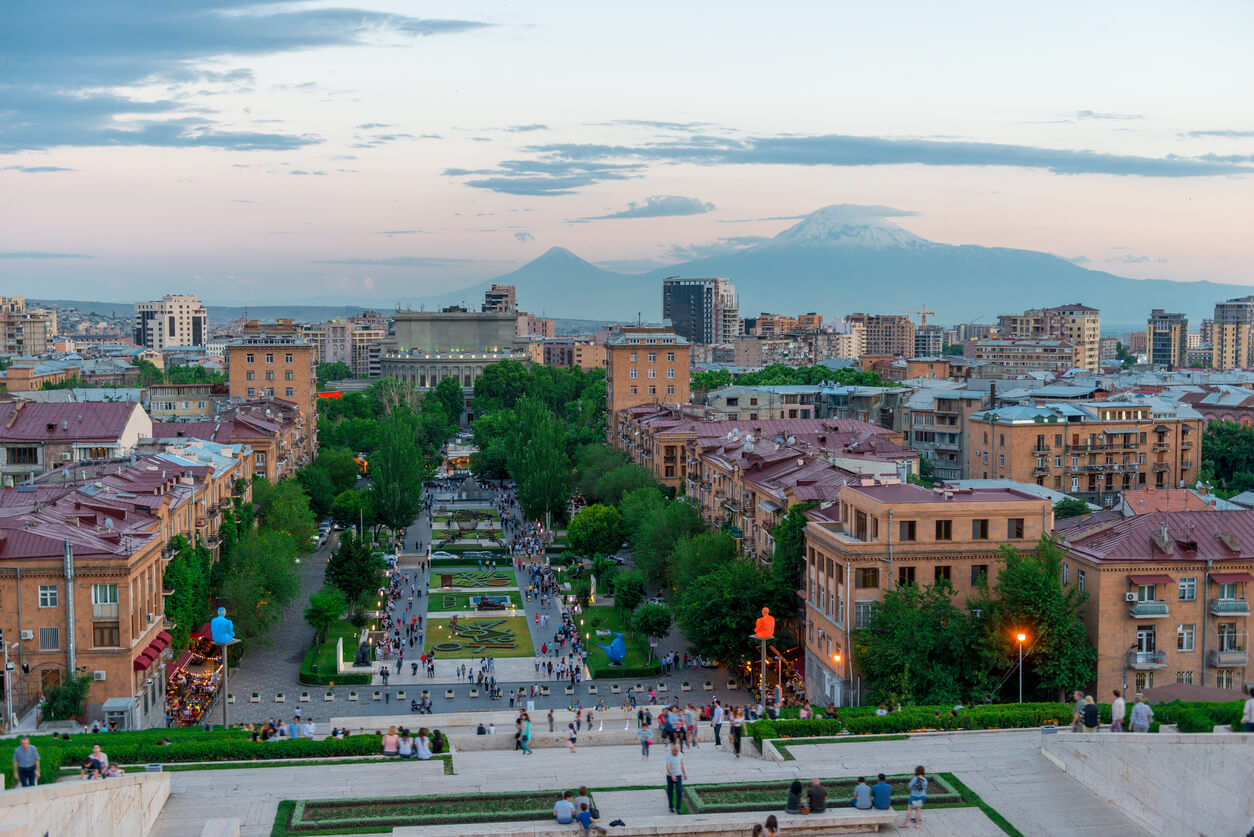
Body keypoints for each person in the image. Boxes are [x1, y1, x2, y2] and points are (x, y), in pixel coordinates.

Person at [664, 742, 687, 813]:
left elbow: (682, 764)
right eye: (675, 751)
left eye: (677, 751)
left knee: (679, 791)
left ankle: (678, 807)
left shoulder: (680, 754)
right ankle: (671, 807)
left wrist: (684, 774)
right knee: (670, 792)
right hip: (670, 776)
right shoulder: (668, 756)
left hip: (678, 775)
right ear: (672, 750)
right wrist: (672, 775)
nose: (676, 753)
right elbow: (668, 767)